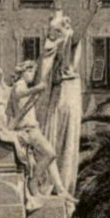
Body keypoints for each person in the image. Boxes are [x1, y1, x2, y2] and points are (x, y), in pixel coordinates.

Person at [6, 60, 72, 202]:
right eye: (29, 71)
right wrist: (38, 88)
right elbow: (21, 93)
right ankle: (33, 181)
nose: (32, 75)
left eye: (33, 72)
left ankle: (58, 188)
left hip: (33, 129)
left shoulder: (24, 87)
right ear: (22, 72)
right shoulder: (19, 86)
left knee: (50, 158)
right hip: (28, 131)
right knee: (50, 154)